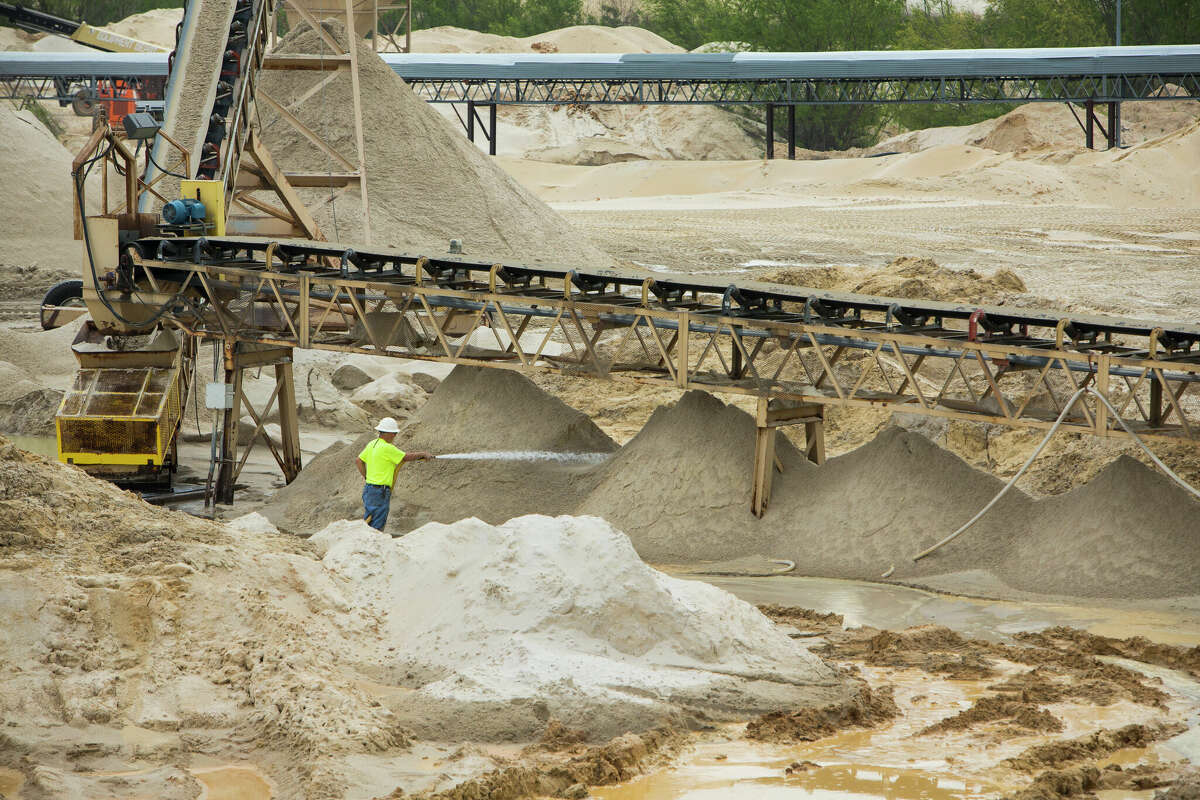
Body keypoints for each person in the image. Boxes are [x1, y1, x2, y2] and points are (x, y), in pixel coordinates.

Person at [355, 417, 432, 531]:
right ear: (387, 433)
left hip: (369, 489)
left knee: (370, 519)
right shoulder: (387, 448)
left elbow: (358, 461)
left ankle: (363, 539)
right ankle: (374, 544)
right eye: (394, 433)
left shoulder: (372, 444)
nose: (395, 436)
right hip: (380, 492)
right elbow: (405, 457)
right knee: (377, 523)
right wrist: (423, 454)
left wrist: (366, 476)